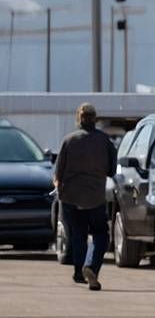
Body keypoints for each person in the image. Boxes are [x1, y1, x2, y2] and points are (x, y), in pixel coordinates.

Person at [53, 103, 116, 291]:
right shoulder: (105, 141)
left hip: (70, 197)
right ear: (95, 119)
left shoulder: (68, 140)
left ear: (78, 118)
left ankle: (79, 273)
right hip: (95, 198)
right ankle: (91, 266)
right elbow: (112, 170)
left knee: (78, 235)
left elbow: (58, 173)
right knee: (100, 235)